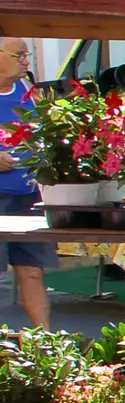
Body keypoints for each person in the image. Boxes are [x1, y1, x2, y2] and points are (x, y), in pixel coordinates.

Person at [0, 37, 52, 328]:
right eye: (19, 55)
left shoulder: (27, 91)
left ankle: (47, 344)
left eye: (27, 55)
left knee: (32, 270)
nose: (25, 62)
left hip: (29, 196)